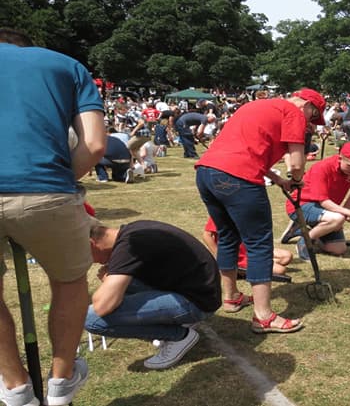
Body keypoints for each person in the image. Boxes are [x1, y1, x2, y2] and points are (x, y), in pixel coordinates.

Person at [0, 27, 106, 406]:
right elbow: (94, 144)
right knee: (69, 281)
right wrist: (58, 182)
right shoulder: (66, 65)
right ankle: (61, 382)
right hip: (46, 188)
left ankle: (14, 387)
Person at [195, 88, 326, 334]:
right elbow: (297, 163)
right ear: (308, 105)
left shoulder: (257, 106)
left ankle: (231, 296)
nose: (309, 122)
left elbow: (247, 149)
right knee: (259, 244)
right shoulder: (294, 113)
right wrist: (296, 178)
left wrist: (277, 178)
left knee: (228, 236)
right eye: (313, 116)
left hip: (206, 172)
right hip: (237, 177)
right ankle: (264, 316)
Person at [84, 220, 220, 370]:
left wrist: (106, 280)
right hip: (198, 291)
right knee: (119, 286)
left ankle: (178, 336)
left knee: (92, 319)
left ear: (91, 244)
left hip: (198, 302)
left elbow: (102, 307)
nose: (91, 262)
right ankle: (178, 320)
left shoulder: (127, 248)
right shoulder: (132, 232)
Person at [281, 142, 350, 260]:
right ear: (340, 158)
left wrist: (344, 213)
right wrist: (343, 214)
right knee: (336, 218)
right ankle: (305, 242)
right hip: (301, 205)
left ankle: (298, 230)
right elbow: (323, 201)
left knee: (339, 249)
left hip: (327, 210)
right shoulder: (322, 167)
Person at [202, 217, 293, 304]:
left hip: (250, 250)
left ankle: (247, 270)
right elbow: (207, 235)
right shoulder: (222, 211)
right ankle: (242, 271)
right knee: (281, 270)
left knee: (287, 256)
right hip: (240, 258)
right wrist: (219, 256)